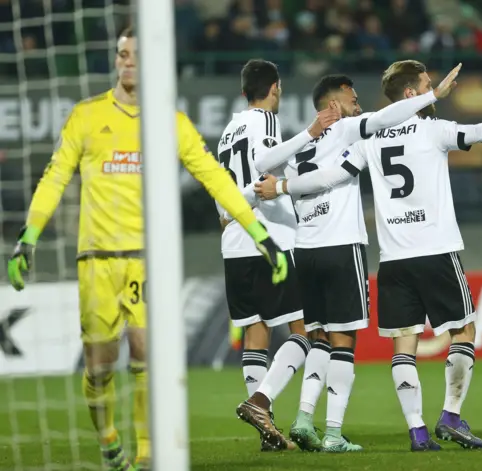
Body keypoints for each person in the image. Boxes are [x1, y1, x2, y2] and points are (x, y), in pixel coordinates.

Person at [6, 28, 287, 471]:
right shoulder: (85, 116)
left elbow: (214, 177)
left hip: (144, 260)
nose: (128, 61)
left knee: (144, 353)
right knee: (99, 369)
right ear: (116, 60)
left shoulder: (169, 122)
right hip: (95, 261)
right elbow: (55, 176)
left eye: (136, 54)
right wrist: (29, 235)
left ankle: (145, 452)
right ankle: (108, 436)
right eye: (121, 54)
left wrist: (259, 232)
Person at [255, 60, 482, 451]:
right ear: (412, 94)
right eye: (426, 84)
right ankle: (451, 416)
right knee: (464, 331)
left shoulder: (367, 142)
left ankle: (417, 431)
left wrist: (284, 185)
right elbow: (481, 131)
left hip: (393, 260)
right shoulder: (432, 129)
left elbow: (330, 177)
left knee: (403, 344)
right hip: (436, 250)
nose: (432, 89)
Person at [239, 63, 462, 453]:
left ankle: (304, 417)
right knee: (344, 342)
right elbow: (389, 115)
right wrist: (432, 96)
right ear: (336, 101)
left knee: (318, 338)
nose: (359, 105)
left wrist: (232, 208)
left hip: (304, 251)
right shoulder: (345, 128)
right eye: (353, 98)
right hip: (341, 246)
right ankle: (332, 432)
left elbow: (261, 171)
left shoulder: (300, 144)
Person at [218, 59, 340, 451]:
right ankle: (261, 401)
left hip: (233, 243)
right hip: (267, 241)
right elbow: (264, 167)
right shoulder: (264, 120)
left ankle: (268, 432)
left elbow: (225, 185)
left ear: (242, 91)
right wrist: (311, 132)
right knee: (304, 332)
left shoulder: (226, 132)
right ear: (275, 88)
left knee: (256, 333)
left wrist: (227, 211)